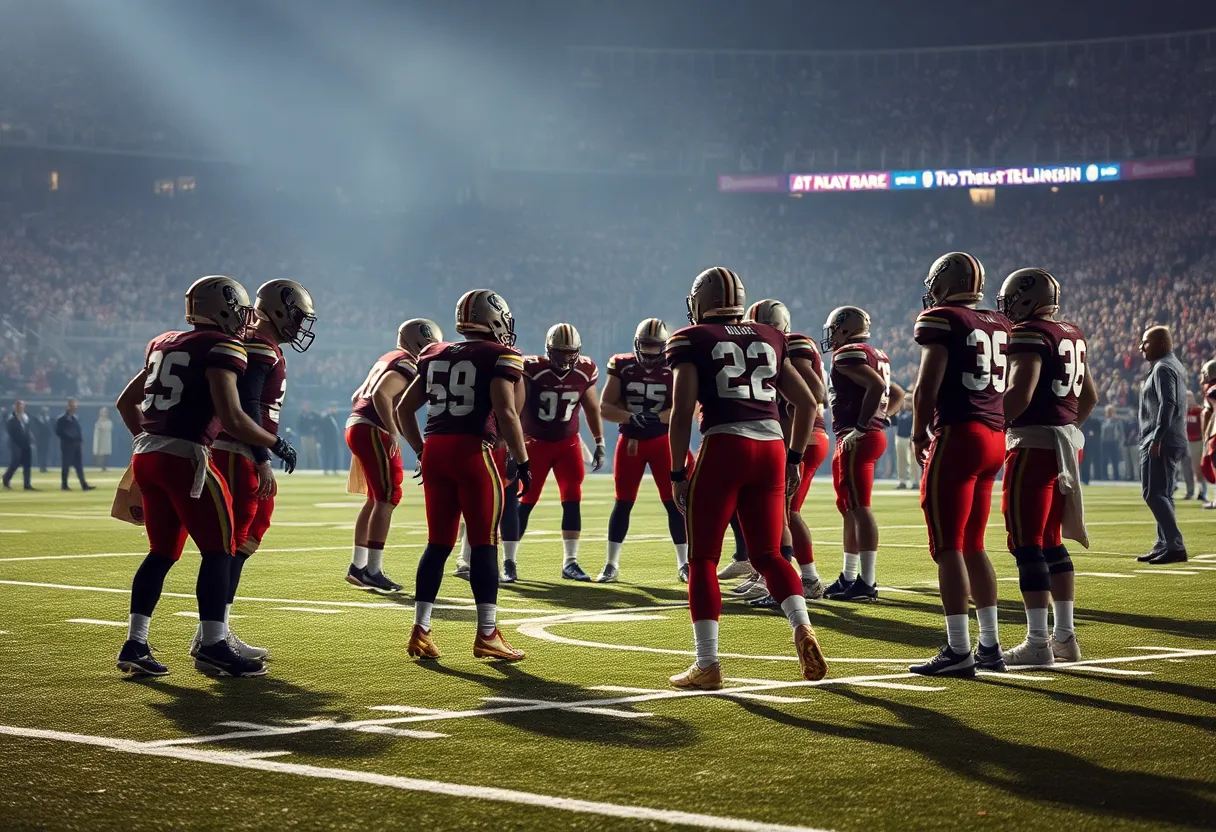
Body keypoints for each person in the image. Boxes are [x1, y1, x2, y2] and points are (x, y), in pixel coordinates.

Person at [112, 275, 297, 678]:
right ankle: (213, 642)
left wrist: (150, 439)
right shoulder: (223, 346)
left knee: (162, 552)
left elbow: (126, 403)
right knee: (220, 549)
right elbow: (233, 416)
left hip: (148, 454)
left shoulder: (163, 342)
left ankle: (135, 642)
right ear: (225, 307)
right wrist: (275, 444)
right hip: (188, 456)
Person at [665, 266, 827, 690]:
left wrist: (677, 470)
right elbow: (808, 403)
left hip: (724, 445)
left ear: (700, 302)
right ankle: (802, 626)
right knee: (770, 555)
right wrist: (793, 457)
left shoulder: (691, 338)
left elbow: (682, 411)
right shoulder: (770, 336)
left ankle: (707, 664)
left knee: (702, 559)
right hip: (772, 449)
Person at [396, 289, 530, 661]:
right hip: (473, 451)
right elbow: (506, 410)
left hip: (436, 449)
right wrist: (522, 459)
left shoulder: (434, 352)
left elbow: (404, 411)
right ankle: (487, 634)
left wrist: (422, 451)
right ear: (496, 318)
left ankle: (421, 631)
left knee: (438, 544)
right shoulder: (501, 354)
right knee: (485, 543)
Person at [909, 251, 1010, 677]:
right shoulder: (1000, 323)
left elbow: (926, 383)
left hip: (959, 433)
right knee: (973, 544)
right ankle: (990, 645)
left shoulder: (943, 319)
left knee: (948, 546)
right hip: (994, 436)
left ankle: (958, 648)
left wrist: (918, 431)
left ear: (943, 284)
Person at [206, 279, 316, 661]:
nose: (301, 326)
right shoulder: (259, 346)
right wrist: (263, 456)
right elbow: (247, 405)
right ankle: (211, 637)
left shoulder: (264, 345)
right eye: (298, 317)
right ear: (281, 309)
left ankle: (217, 630)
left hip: (245, 450)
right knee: (231, 542)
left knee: (246, 539)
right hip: (239, 452)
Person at [995, 268, 1097, 666]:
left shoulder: (1030, 334)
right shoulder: (1071, 333)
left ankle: (1038, 641)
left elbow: (1020, 391)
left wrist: (992, 423)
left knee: (1026, 543)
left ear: (1024, 297)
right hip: (1064, 443)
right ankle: (1064, 637)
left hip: (1033, 445)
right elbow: (1089, 397)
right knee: (1051, 540)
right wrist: (1066, 428)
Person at [742, 299, 829, 606]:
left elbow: (816, 395)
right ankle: (805, 579)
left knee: (782, 515)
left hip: (801, 438)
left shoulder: (794, 344)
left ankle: (787, 583)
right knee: (788, 514)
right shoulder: (787, 343)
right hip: (801, 436)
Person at [344, 318, 442, 592]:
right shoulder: (407, 363)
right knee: (388, 496)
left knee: (375, 498)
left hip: (359, 424)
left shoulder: (389, 356)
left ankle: (359, 566)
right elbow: (380, 394)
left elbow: (357, 397)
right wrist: (391, 430)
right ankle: (372, 570)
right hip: (372, 428)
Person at [503, 323, 604, 582]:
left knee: (572, 499)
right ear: (548, 350)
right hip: (534, 443)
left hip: (567, 443)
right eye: (559, 352)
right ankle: (509, 561)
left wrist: (599, 441)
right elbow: (516, 407)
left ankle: (570, 562)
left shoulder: (586, 369)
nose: (565, 358)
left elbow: (592, 407)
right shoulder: (531, 369)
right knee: (525, 501)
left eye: (570, 352)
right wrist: (513, 445)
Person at [595, 318, 692, 583]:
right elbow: (605, 407)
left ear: (664, 346)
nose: (649, 352)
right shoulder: (622, 365)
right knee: (622, 503)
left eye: (654, 346)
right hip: (632, 442)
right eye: (645, 346)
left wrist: (660, 417)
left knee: (675, 504)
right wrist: (630, 417)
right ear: (637, 344)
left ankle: (684, 564)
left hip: (664, 441)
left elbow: (689, 408)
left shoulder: (677, 364)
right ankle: (611, 564)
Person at [820, 306, 903, 602]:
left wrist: (864, 424)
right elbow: (897, 393)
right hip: (864, 435)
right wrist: (884, 416)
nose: (830, 337)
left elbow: (878, 386)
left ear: (844, 328)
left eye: (833, 331)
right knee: (849, 508)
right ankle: (850, 575)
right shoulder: (873, 353)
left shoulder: (849, 354)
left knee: (859, 508)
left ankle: (866, 582)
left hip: (858, 437)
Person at [1134, 326, 1188, 564]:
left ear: (1161, 343)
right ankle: (1164, 542)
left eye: (1145, 342)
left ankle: (1174, 545)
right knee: (1163, 493)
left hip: (1160, 439)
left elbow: (1168, 404)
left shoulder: (1163, 368)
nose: (1141, 347)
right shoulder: (1172, 365)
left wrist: (1156, 436)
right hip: (1172, 437)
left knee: (1153, 493)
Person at [56, 399, 93, 491]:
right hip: (67, 445)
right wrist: (69, 437)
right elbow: (59, 431)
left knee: (79, 465)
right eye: (73, 405)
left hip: (76, 444)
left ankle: (83, 484)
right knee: (66, 465)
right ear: (68, 407)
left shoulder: (75, 418)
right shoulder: (62, 419)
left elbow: (78, 431)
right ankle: (64, 485)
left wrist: (79, 439)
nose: (75, 407)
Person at [3, 400, 33, 490]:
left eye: (22, 406)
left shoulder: (26, 417)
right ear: (15, 407)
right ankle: (6, 478)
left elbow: (28, 430)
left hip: (26, 443)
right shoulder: (11, 418)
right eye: (18, 406)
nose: (20, 408)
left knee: (27, 464)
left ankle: (27, 485)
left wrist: (30, 440)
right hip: (16, 443)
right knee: (15, 463)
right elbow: (11, 432)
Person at [1184, 391, 1206, 501]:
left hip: (1196, 441)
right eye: (1185, 397)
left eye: (1189, 397)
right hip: (1184, 442)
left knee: (1196, 468)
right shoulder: (1181, 412)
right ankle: (1189, 491)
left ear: (1192, 398)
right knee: (1186, 468)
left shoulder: (1198, 410)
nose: (1187, 399)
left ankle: (1202, 491)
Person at [893, 396, 914, 489]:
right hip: (900, 437)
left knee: (913, 461)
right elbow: (894, 422)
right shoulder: (900, 412)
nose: (907, 403)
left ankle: (915, 481)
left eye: (909, 401)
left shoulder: (914, 413)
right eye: (905, 401)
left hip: (910, 438)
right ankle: (902, 481)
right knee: (901, 461)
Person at [1099, 405, 1123, 480]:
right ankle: (1105, 476)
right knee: (1104, 460)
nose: (1109, 413)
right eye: (1108, 411)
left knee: (1115, 461)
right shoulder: (1103, 421)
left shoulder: (1117, 421)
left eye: (1111, 411)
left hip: (1114, 442)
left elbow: (1121, 433)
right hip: (1105, 443)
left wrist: (1121, 443)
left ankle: (1116, 477)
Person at [297, 402, 320, 470]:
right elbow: (298, 426)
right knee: (304, 452)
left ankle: (314, 467)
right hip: (304, 437)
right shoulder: (301, 416)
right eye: (305, 406)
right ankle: (305, 467)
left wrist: (315, 428)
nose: (307, 408)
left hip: (312, 436)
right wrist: (302, 432)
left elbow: (319, 423)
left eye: (308, 406)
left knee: (313, 453)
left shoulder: (314, 415)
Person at [319, 404, 342, 475]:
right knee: (327, 454)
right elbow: (322, 429)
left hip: (334, 439)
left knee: (335, 454)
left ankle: (335, 469)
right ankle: (325, 469)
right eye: (332, 408)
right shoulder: (326, 418)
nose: (334, 410)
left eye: (335, 408)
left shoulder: (337, 417)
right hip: (327, 439)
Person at [31, 406, 52, 473]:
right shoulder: (37, 420)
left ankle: (45, 466)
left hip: (47, 439)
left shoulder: (49, 419)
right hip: (39, 439)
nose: (45, 412)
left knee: (46, 453)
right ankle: (41, 467)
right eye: (43, 411)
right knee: (40, 453)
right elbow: (34, 429)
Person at [93, 406, 114, 471]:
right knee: (100, 453)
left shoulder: (109, 422)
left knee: (105, 453)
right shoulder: (98, 422)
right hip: (100, 439)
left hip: (106, 440)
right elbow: (98, 428)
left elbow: (108, 427)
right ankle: (101, 466)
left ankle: (104, 466)